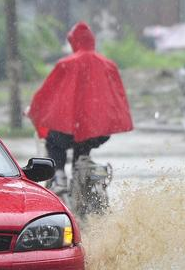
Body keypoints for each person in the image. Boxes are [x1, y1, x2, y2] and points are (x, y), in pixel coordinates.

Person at [28, 21, 133, 192]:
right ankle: (83, 173)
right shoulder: (108, 65)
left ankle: (59, 177)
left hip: (70, 130)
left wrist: (35, 110)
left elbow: (47, 93)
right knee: (83, 147)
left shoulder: (66, 64)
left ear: (73, 42)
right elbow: (117, 96)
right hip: (98, 131)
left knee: (53, 142)